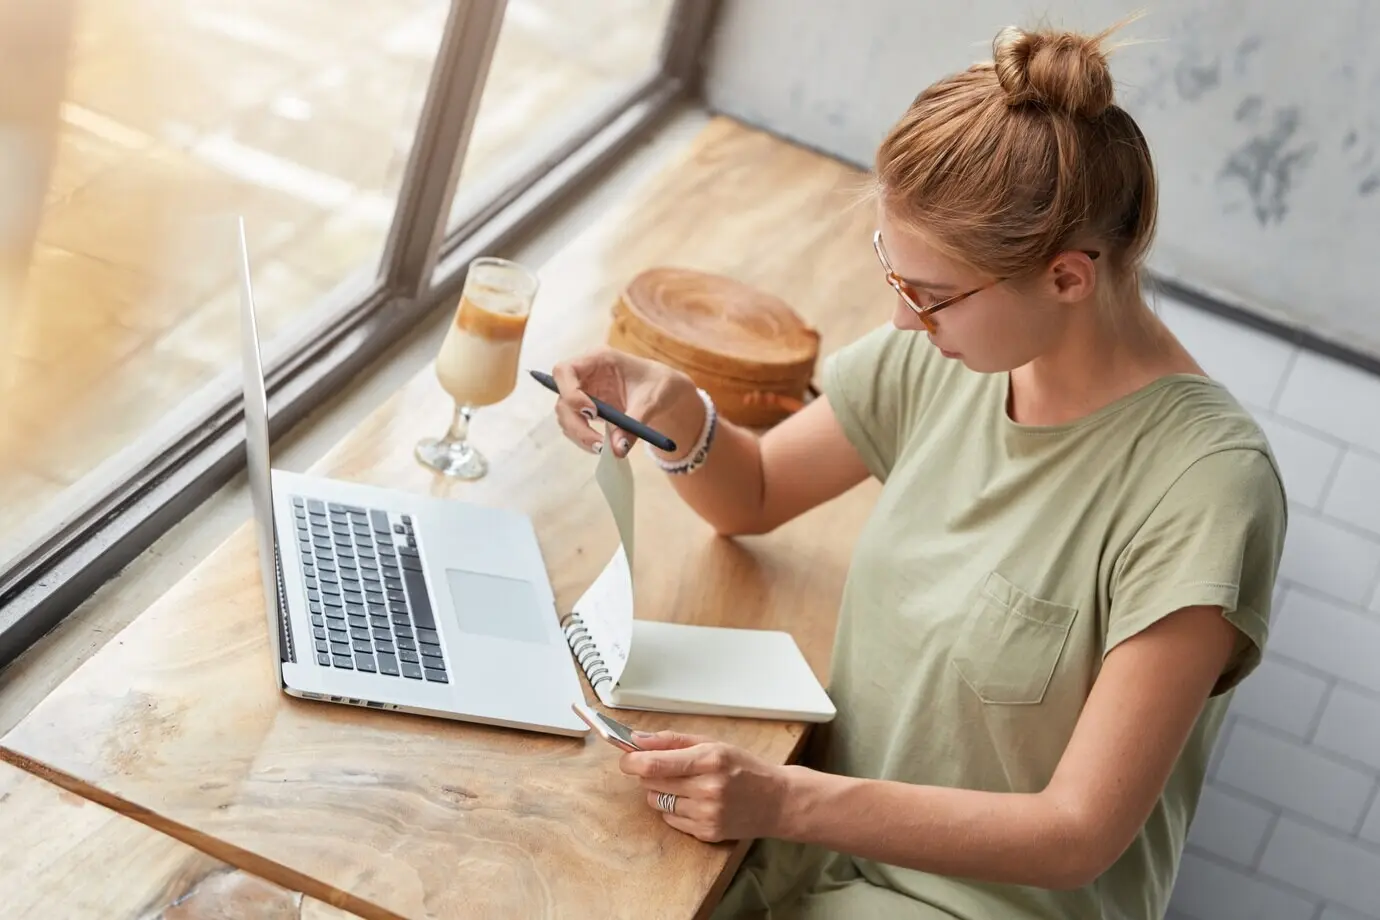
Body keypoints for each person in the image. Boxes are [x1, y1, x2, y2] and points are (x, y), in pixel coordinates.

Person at [550, 21, 1287, 920]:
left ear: (1066, 278)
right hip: (812, 848)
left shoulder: (1207, 490)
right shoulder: (954, 356)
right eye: (893, 277)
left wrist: (780, 799)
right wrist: (672, 406)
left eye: (929, 297)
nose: (903, 323)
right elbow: (755, 494)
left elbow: (1078, 832)